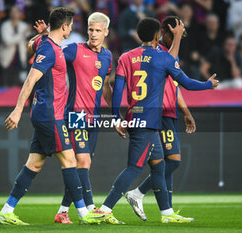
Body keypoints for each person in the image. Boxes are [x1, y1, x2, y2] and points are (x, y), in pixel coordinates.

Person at [99, 17, 218, 224]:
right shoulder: (164, 59)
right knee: (134, 167)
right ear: (158, 36)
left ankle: (167, 213)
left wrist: (116, 116)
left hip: (136, 118)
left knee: (159, 166)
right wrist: (208, 84)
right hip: (149, 120)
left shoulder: (127, 57)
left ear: (139, 35)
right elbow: (187, 84)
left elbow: (118, 89)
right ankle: (105, 208)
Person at [0, 7, 108, 225]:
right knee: (71, 161)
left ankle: (7, 209)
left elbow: (31, 45)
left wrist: (41, 34)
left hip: (45, 113)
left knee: (34, 164)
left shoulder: (46, 44)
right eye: (72, 25)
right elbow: (30, 79)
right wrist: (18, 109)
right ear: (65, 27)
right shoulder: (51, 50)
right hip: (51, 115)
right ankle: (85, 213)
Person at [29, 12, 116, 224]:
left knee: (82, 166)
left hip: (93, 116)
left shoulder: (107, 56)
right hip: (74, 114)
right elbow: (45, 50)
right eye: (90, 30)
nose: (93, 34)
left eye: (98, 31)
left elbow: (105, 85)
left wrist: (115, 114)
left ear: (106, 32)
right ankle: (89, 208)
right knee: (82, 161)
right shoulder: (74, 50)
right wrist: (43, 36)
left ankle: (63, 210)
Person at [125, 16, 197, 222]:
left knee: (166, 164)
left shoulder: (165, 53)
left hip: (170, 111)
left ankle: (167, 212)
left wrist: (185, 111)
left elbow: (175, 85)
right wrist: (177, 39)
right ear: (163, 33)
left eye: (181, 35)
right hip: (160, 112)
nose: (178, 37)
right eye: (175, 33)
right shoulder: (158, 52)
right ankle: (138, 193)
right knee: (172, 162)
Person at [0, 5, 30, 87]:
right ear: (10, 13)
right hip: (7, 60)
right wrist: (22, 34)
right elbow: (7, 41)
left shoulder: (24, 26)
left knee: (18, 86)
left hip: (20, 59)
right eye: (12, 12)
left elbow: (27, 40)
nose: (14, 14)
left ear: (19, 13)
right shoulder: (5, 26)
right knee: (5, 85)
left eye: (16, 11)